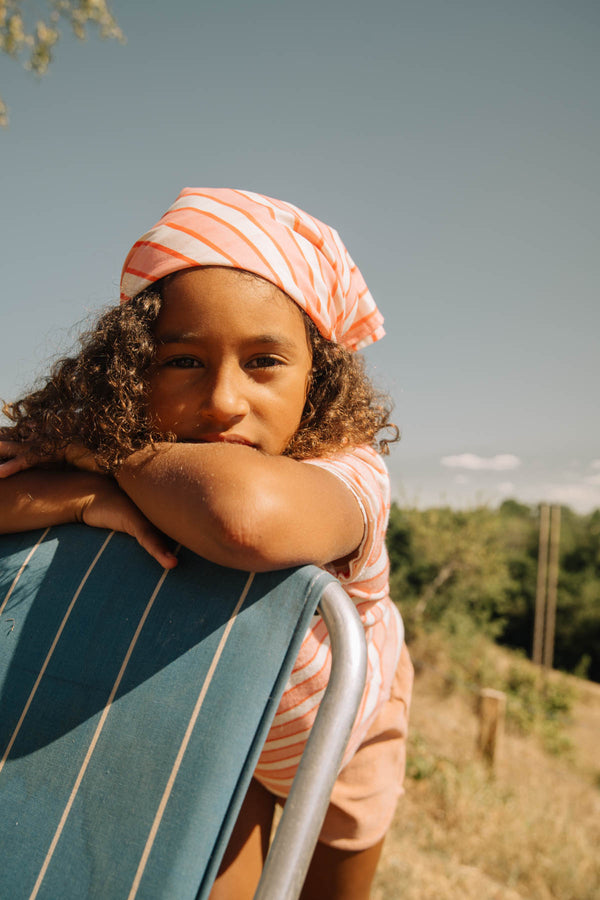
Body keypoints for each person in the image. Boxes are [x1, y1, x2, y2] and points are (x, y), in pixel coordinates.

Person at [0, 188, 413, 900]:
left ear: (316, 375)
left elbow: (243, 518)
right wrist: (82, 495)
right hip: (226, 722)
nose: (224, 400)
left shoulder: (351, 471)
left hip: (348, 731)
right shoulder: (142, 463)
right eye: (184, 361)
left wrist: (105, 455)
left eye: (263, 362)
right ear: (133, 369)